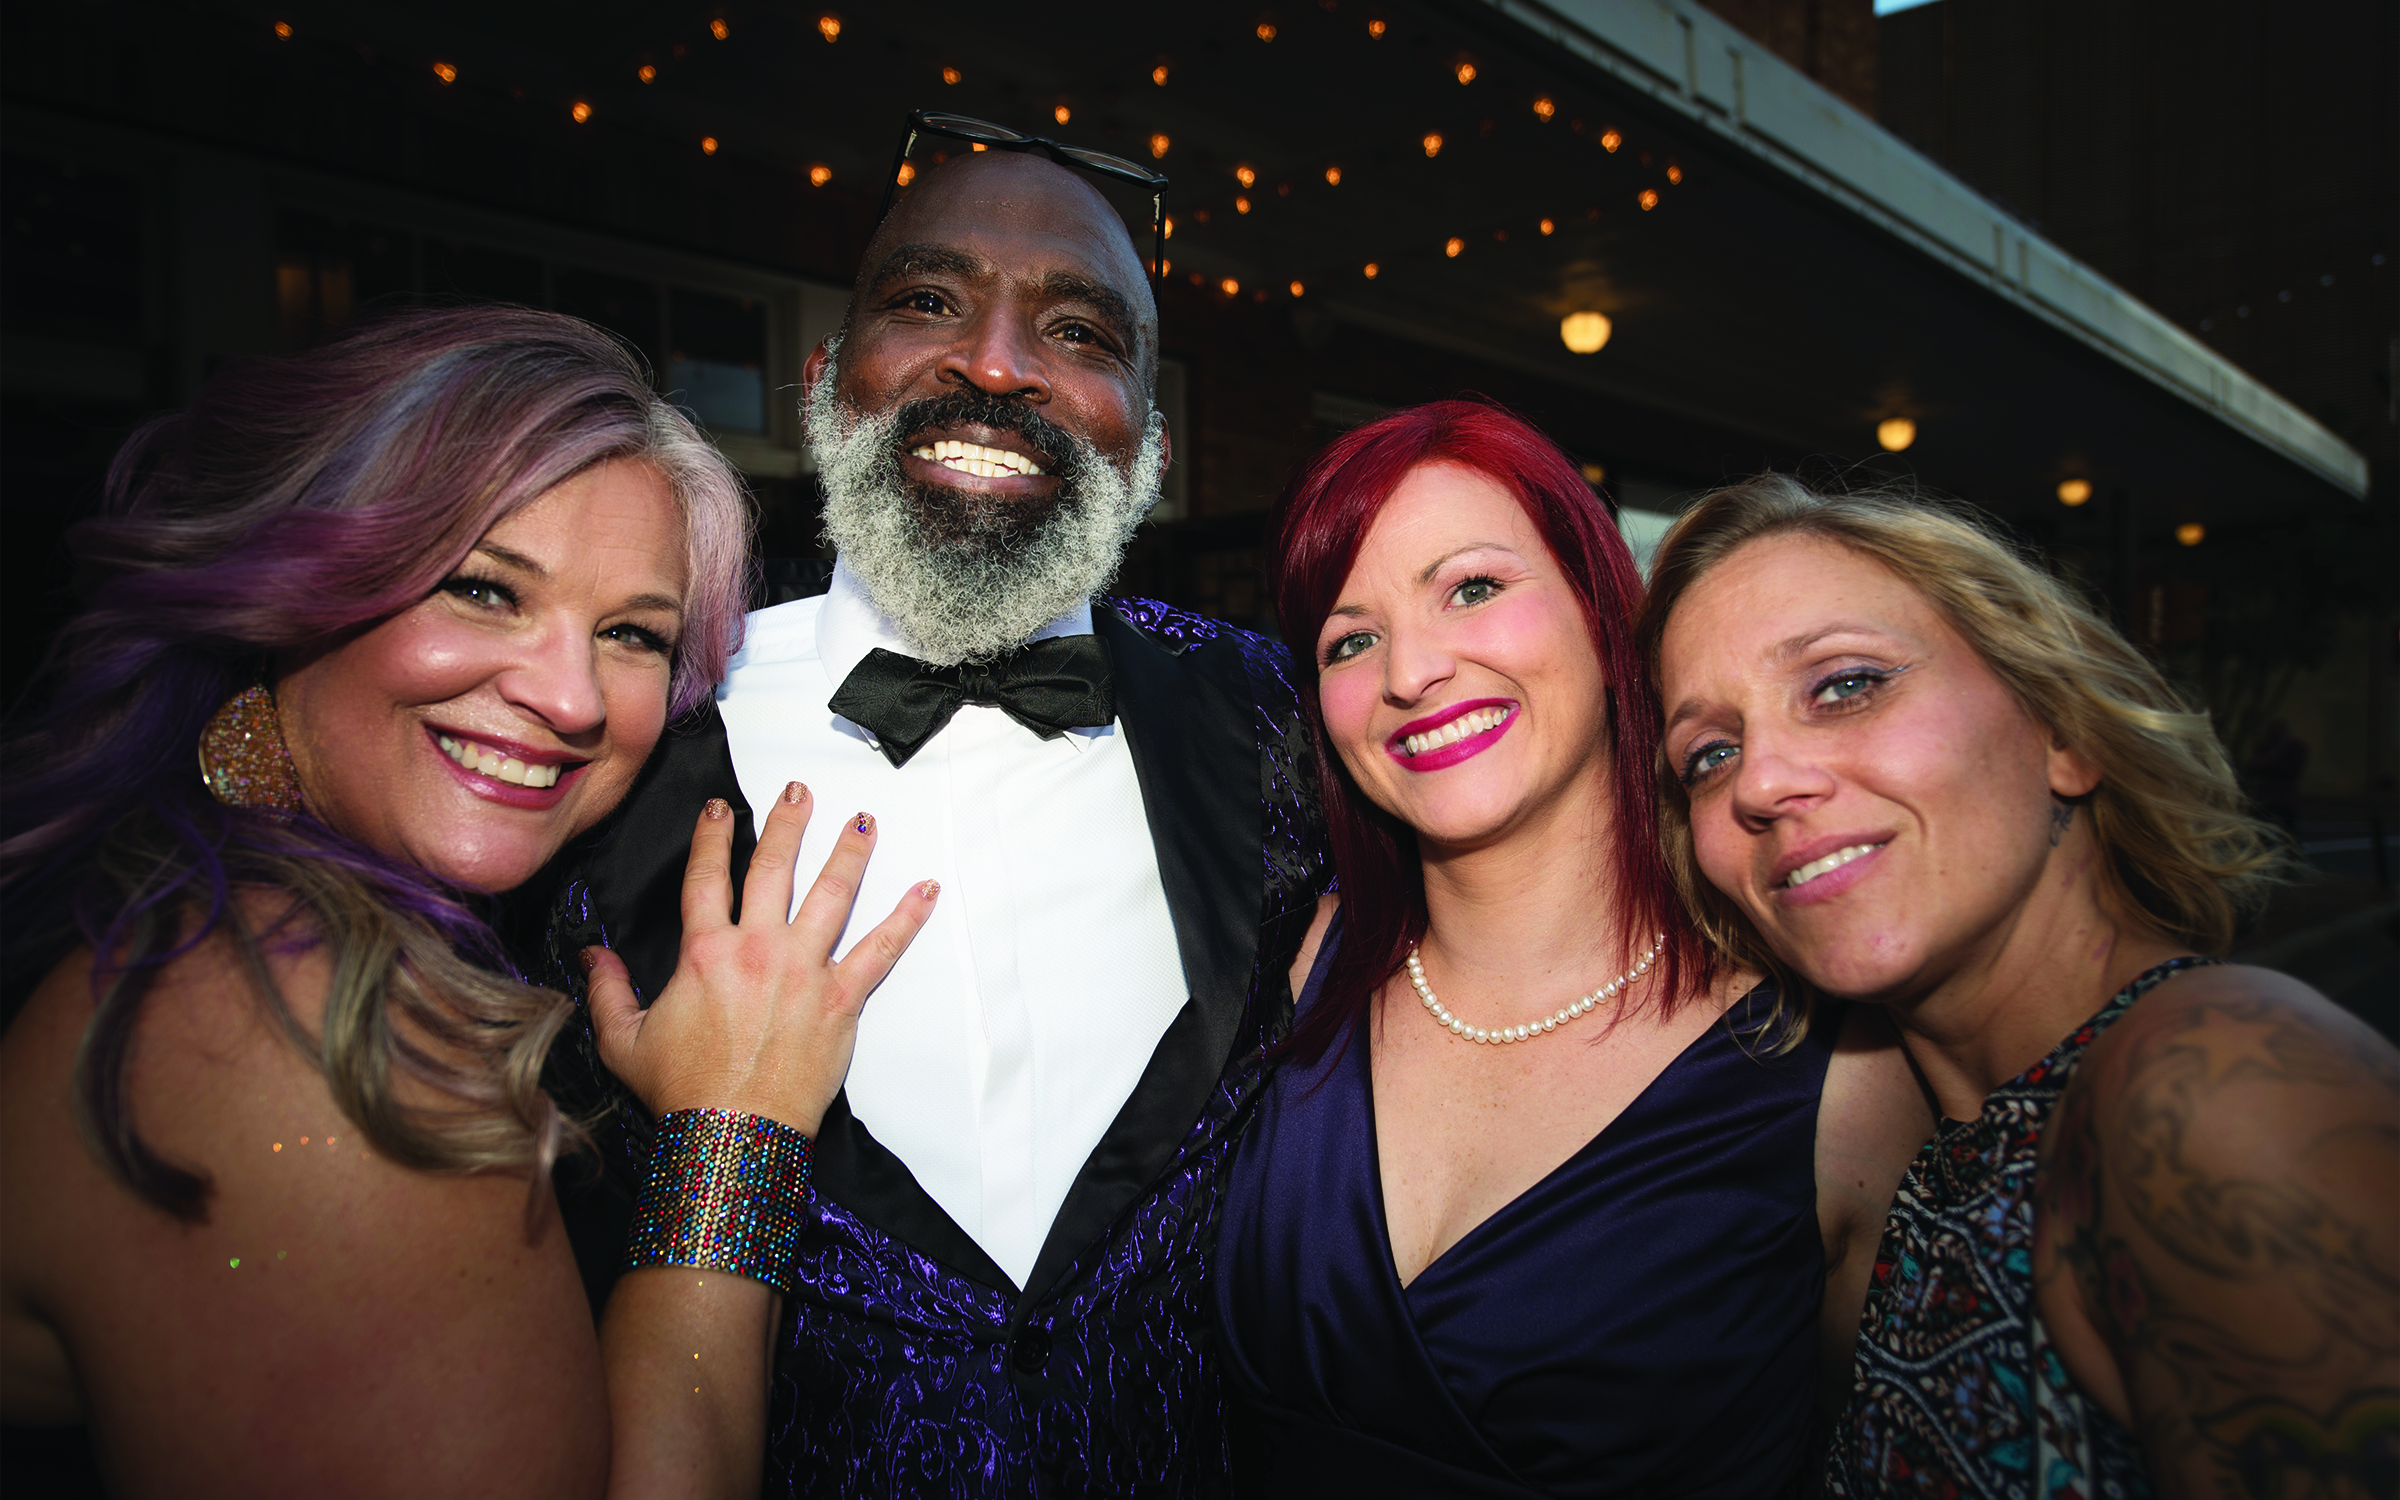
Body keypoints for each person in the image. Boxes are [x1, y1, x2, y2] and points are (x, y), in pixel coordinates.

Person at [0, 305, 939, 1497]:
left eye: (631, 633)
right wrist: (733, 1131)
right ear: (295, 586)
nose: (572, 698)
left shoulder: (193, 911)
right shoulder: (284, 1029)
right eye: (485, 591)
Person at [535, 145, 1327, 1495]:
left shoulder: (1278, 719)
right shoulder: (637, 716)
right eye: (927, 302)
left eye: (1079, 332)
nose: (998, 364)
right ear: (823, 379)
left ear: (1152, 439)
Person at [1210, 401, 1934, 1497]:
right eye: (1350, 640)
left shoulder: (1840, 1071)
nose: (1411, 671)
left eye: (1472, 588)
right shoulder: (1295, 968)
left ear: (1603, 615)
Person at [1639, 474, 2400, 1499]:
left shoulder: (2218, 1095)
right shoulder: (1927, 1139)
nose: (1762, 782)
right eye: (1711, 754)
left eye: (1847, 685)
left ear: (2062, 731)